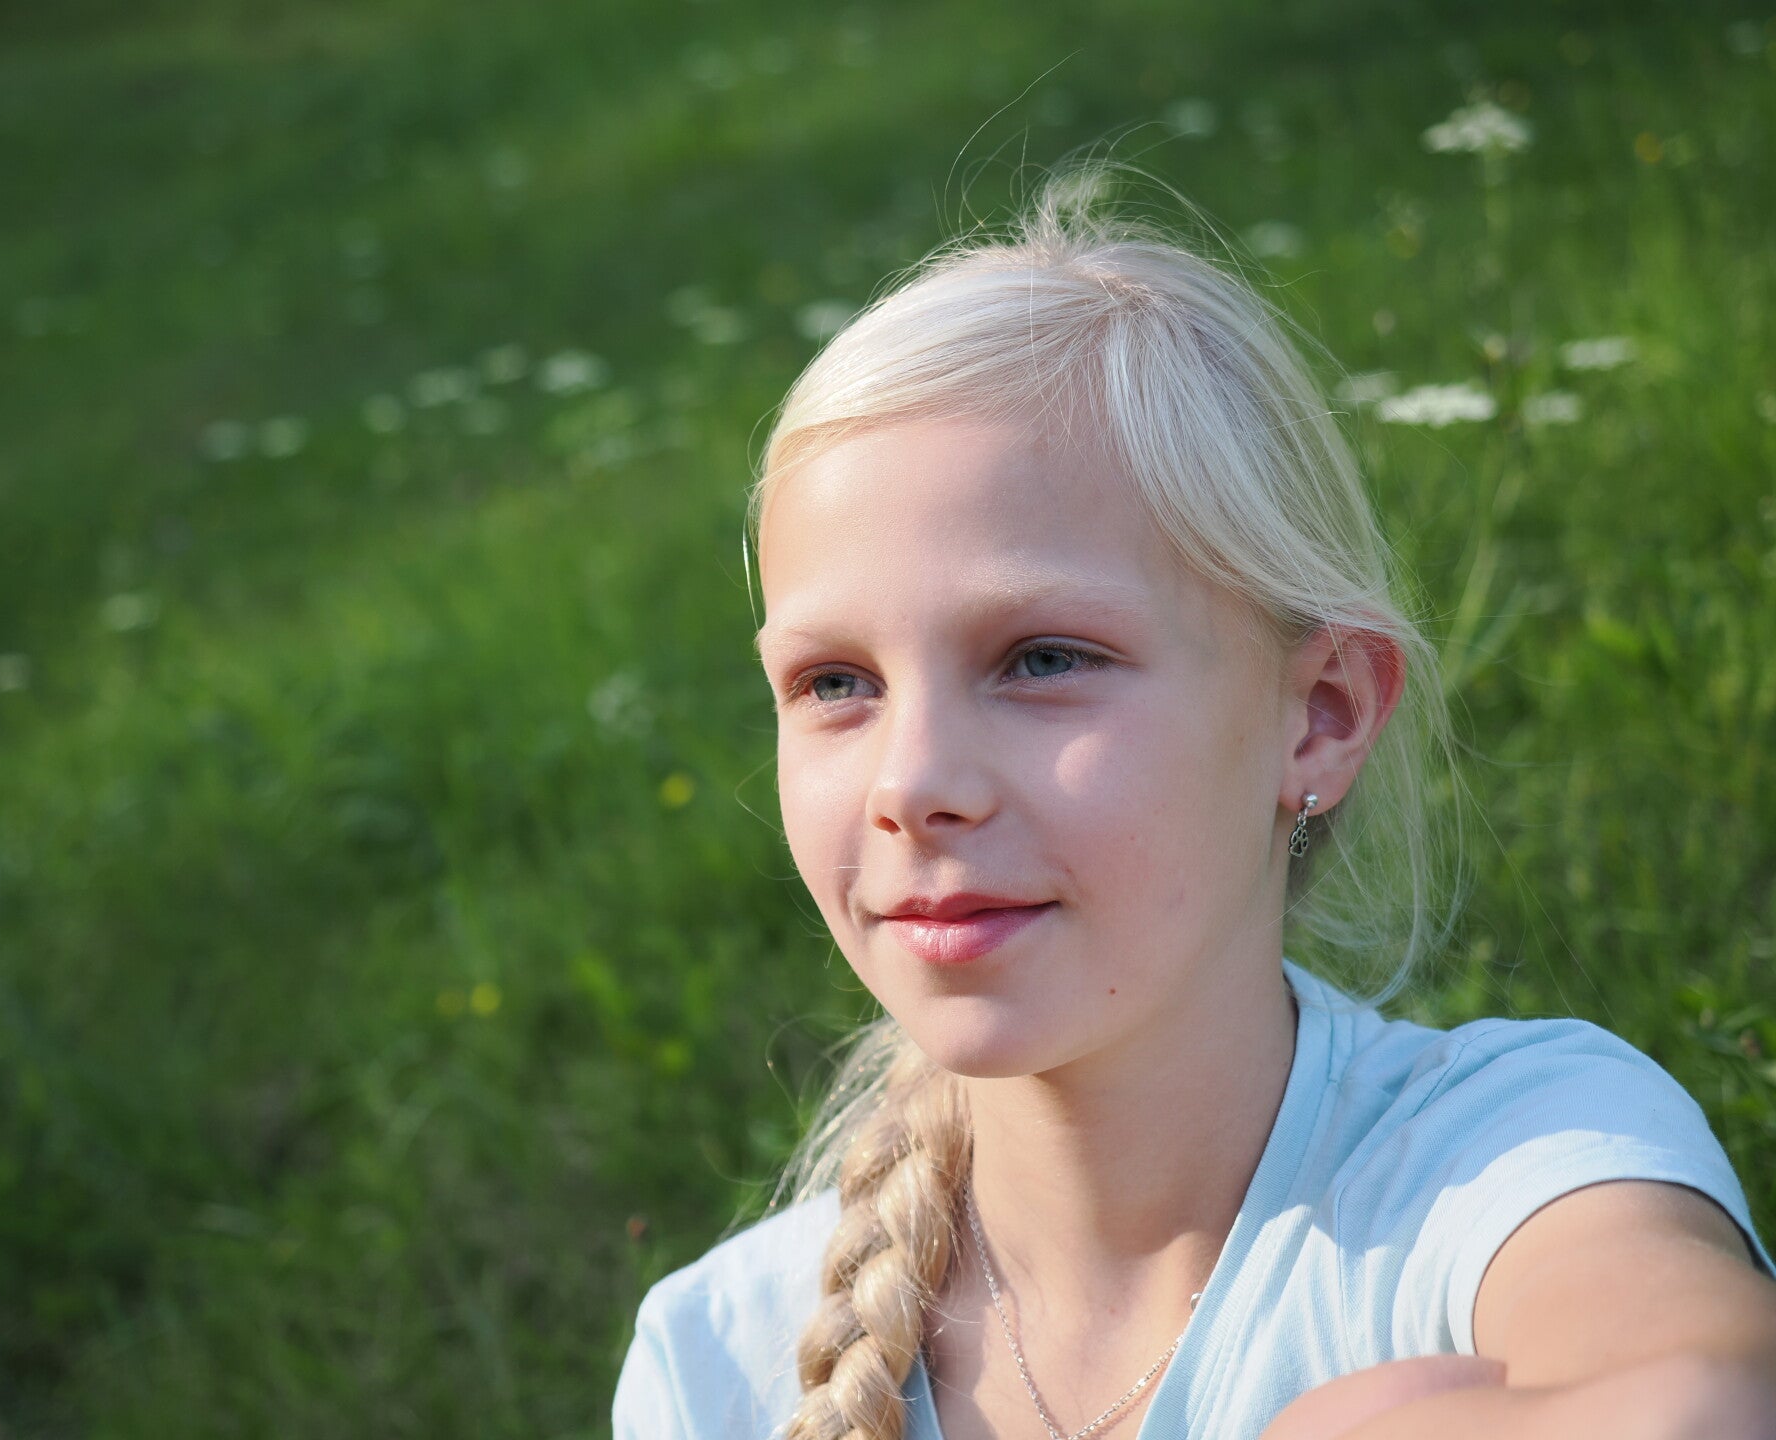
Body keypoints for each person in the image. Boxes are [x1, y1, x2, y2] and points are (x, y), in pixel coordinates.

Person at [612, 168, 1776, 1439]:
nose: (913, 785)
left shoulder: (1505, 1168)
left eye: (1043, 659)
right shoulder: (714, 1363)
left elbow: (1712, 1401)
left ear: (1320, 713)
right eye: (836, 683)